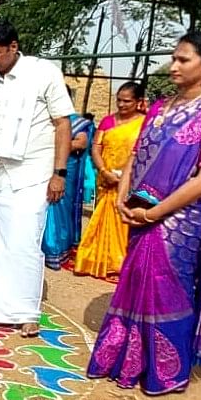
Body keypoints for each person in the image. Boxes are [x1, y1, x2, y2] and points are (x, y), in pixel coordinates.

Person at [85, 31, 201, 394]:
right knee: (134, 279)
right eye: (174, 58)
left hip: (181, 220)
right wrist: (122, 196)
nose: (174, 66)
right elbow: (135, 155)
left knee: (166, 287)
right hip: (138, 208)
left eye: (183, 60)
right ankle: (126, 359)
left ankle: (165, 370)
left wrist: (155, 213)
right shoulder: (162, 108)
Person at [0, 20, 77, 338]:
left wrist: (58, 174)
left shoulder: (43, 72)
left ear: (13, 47)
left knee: (24, 242)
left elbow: (62, 124)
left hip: (34, 174)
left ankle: (25, 312)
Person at [73, 82, 145, 281]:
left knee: (126, 221)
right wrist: (104, 171)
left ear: (139, 102)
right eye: (119, 100)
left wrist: (128, 176)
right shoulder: (107, 122)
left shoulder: (145, 123)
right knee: (102, 220)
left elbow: (146, 152)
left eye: (127, 101)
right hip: (107, 179)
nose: (121, 105)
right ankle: (98, 259)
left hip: (132, 181)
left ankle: (122, 263)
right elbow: (96, 148)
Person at [41, 112, 94, 270]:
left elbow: (82, 143)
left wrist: (57, 145)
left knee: (58, 205)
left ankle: (55, 249)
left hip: (64, 170)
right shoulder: (41, 116)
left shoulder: (77, 122)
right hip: (42, 167)